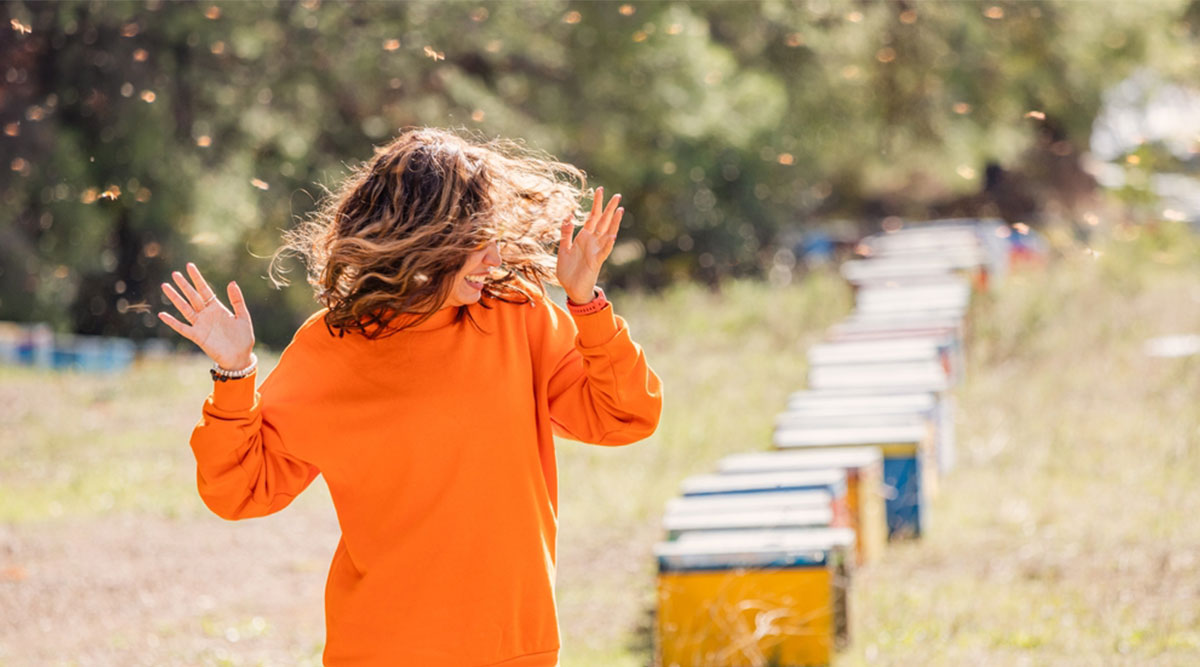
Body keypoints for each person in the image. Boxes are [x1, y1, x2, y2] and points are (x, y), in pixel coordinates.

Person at [157, 128, 663, 666]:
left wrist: (585, 302)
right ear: (428, 239)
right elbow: (239, 491)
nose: (494, 259)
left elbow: (626, 415)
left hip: (515, 650)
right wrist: (235, 375)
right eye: (477, 241)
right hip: (382, 652)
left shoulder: (519, 316)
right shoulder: (331, 348)